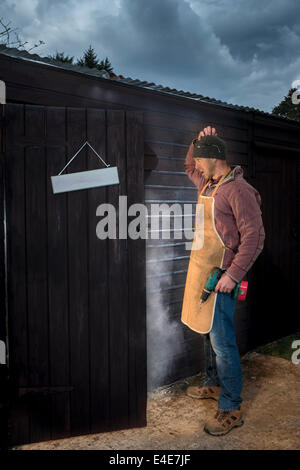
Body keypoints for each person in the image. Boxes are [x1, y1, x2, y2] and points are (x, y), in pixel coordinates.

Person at [182, 125, 265, 436]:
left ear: (214, 159)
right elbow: (188, 164)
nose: (196, 167)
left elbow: (255, 238)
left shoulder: (238, 191)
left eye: (201, 160)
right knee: (206, 332)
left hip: (222, 277)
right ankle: (212, 384)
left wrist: (232, 275)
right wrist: (196, 140)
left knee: (223, 342)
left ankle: (231, 407)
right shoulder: (207, 184)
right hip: (201, 271)